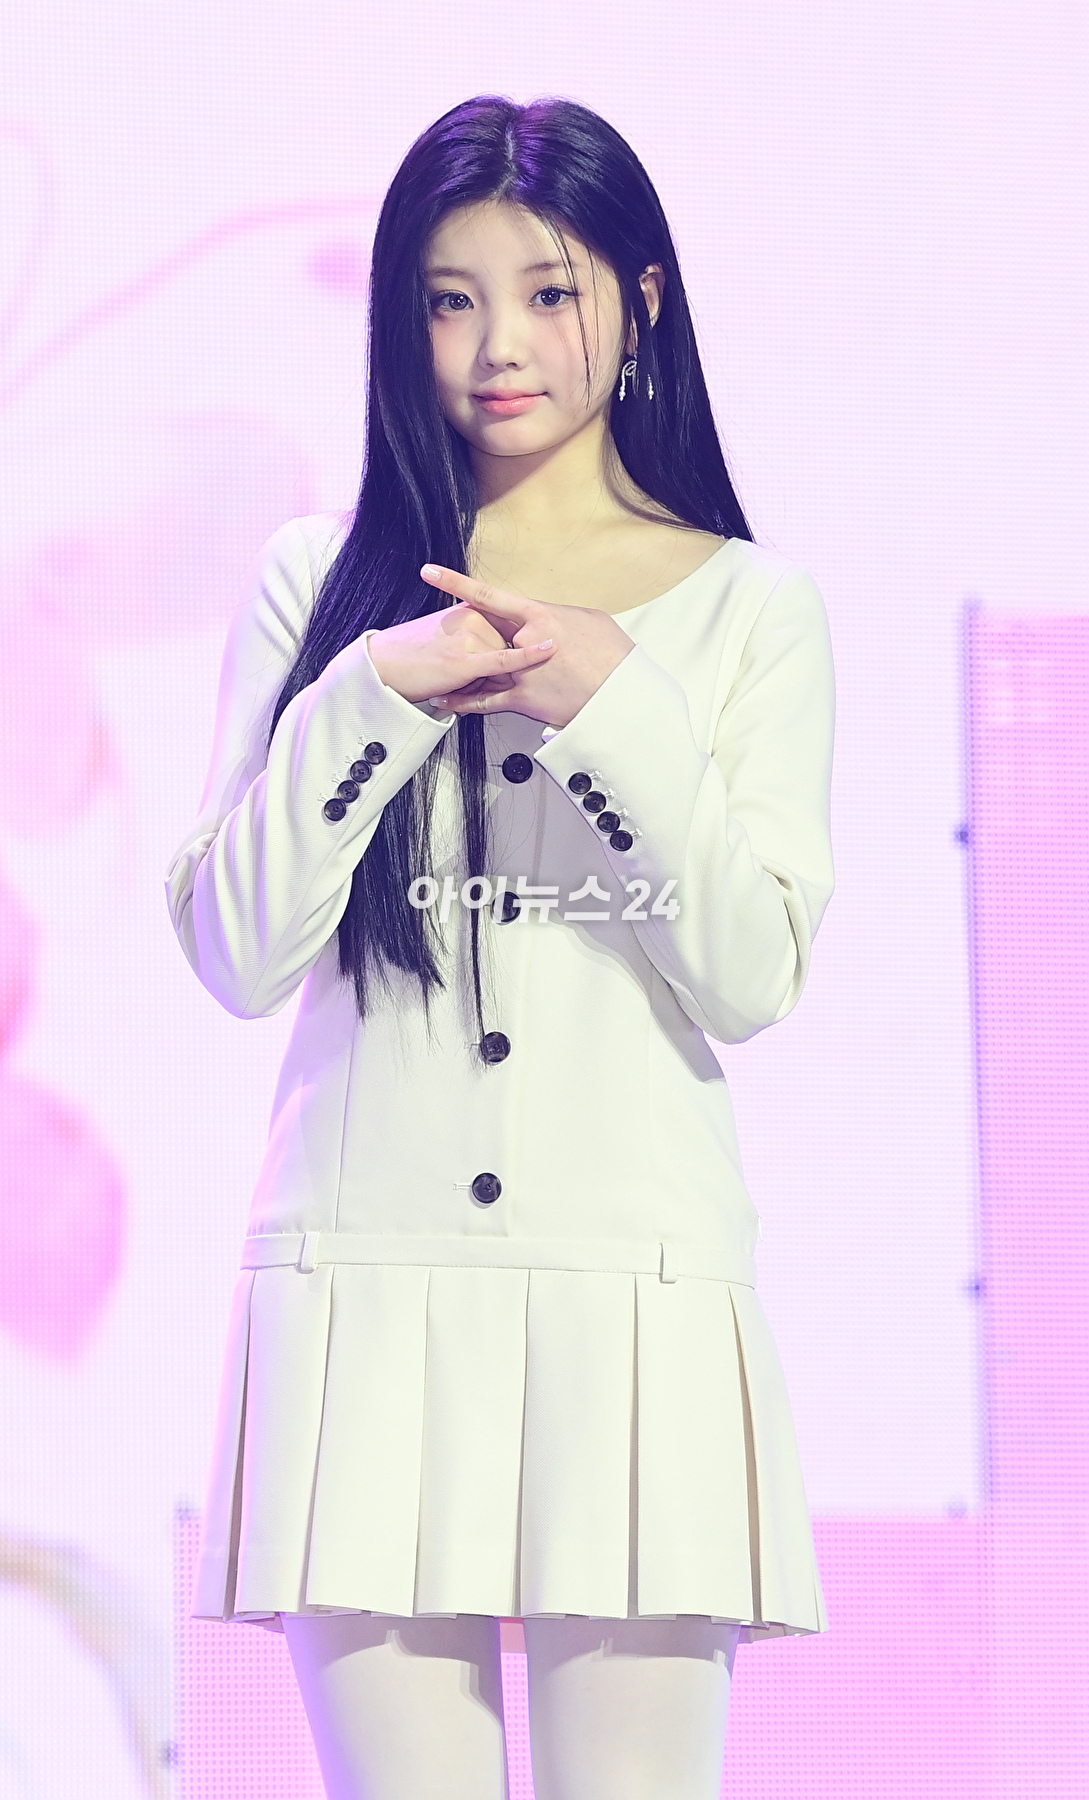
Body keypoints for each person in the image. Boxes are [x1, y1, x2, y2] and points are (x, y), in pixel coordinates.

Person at [166, 94, 835, 1800]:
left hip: (634, 1307)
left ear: (641, 300)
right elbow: (238, 952)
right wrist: (371, 693)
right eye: (449, 300)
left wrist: (614, 706)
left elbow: (750, 974)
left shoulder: (747, 610)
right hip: (363, 1306)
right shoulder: (318, 586)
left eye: (547, 292)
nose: (498, 348)